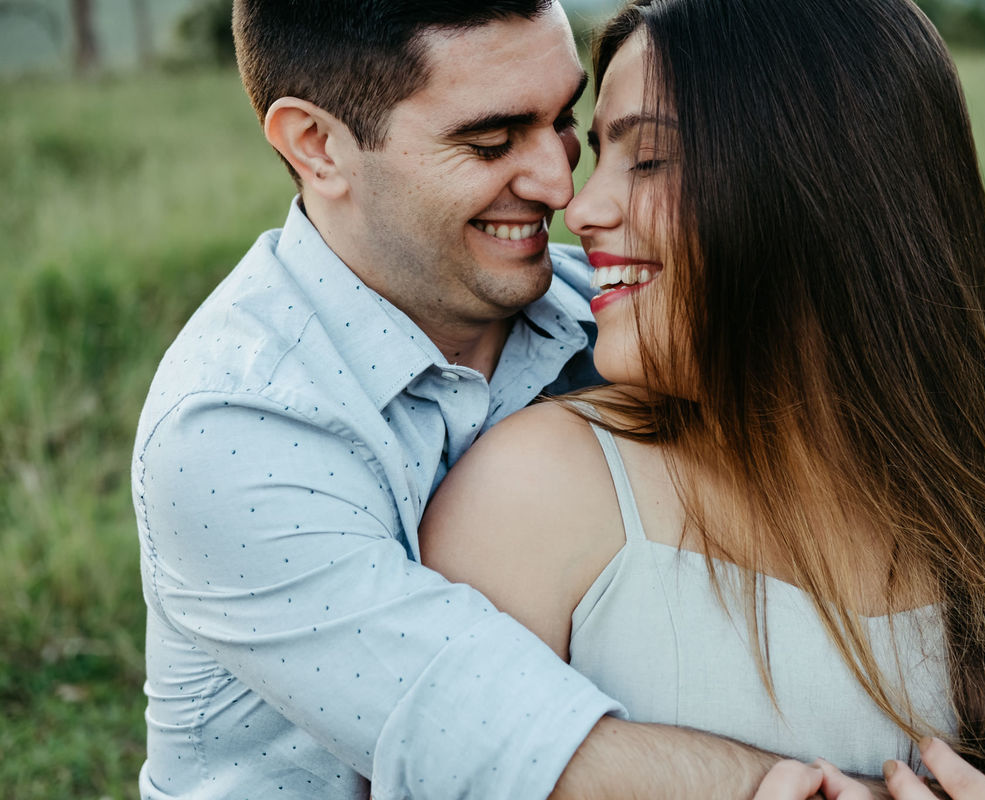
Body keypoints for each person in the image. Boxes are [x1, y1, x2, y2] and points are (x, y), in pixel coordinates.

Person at [419, 0, 985, 796]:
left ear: (821, 189)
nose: (579, 208)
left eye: (647, 160)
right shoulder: (535, 496)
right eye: (598, 157)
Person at [131, 1, 823, 797]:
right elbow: (503, 747)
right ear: (317, 145)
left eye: (565, 121)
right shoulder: (232, 429)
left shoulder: (614, 317)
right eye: (491, 142)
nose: (561, 186)